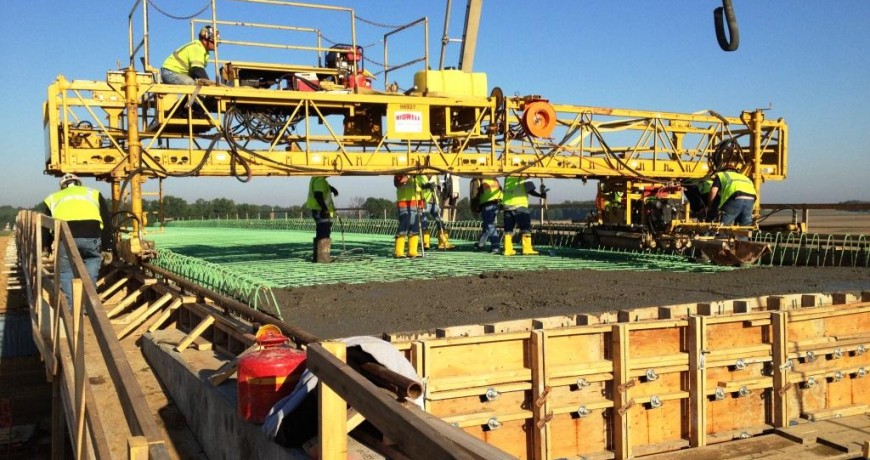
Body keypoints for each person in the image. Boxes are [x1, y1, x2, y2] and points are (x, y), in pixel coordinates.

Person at [42, 174, 111, 307]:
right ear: (79, 184)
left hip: (66, 238)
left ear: (62, 186)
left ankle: (72, 307)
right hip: (91, 237)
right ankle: (87, 306)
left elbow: (46, 225)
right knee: (90, 269)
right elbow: (107, 222)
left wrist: (45, 246)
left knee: (66, 272)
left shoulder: (54, 198)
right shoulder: (94, 194)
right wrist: (108, 247)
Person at [502, 176, 546, 256]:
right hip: (520, 205)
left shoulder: (508, 176)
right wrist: (541, 195)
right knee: (526, 227)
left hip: (507, 205)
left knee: (508, 229)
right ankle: (527, 249)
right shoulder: (524, 175)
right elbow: (530, 190)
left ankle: (508, 250)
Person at [304, 176, 338, 263]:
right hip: (321, 211)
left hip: (318, 210)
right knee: (324, 232)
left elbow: (321, 189)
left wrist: (331, 188)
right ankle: (323, 258)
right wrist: (324, 209)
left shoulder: (316, 179)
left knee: (321, 232)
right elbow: (318, 194)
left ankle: (318, 257)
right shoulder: (320, 180)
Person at [393, 175, 425, 258]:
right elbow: (397, 183)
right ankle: (399, 251)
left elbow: (423, 187)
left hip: (418, 203)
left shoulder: (420, 175)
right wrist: (408, 176)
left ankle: (412, 251)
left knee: (415, 227)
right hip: (404, 203)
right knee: (403, 225)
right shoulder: (401, 171)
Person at [419, 175, 454, 250]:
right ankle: (426, 242)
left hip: (435, 201)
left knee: (440, 221)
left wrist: (439, 189)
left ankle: (443, 242)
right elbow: (418, 186)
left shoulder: (435, 176)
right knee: (424, 221)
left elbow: (438, 187)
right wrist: (427, 186)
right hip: (425, 201)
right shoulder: (421, 175)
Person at [470, 177, 503, 253]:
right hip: (496, 204)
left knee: (490, 225)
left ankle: (495, 246)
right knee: (487, 224)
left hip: (487, 204)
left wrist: (474, 208)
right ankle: (481, 243)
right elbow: (500, 190)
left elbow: (474, 194)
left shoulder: (478, 180)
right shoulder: (494, 179)